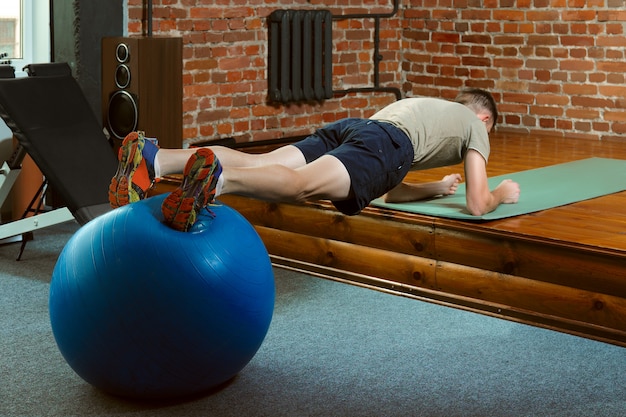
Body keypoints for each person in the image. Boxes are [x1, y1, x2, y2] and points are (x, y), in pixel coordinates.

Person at [109, 88, 520, 232]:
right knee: (303, 187)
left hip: (359, 128)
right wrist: (500, 193)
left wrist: (434, 187)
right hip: (384, 144)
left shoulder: (426, 111)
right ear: (484, 118)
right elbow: (477, 202)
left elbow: (389, 192)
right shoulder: (475, 123)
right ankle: (216, 183)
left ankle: (156, 159)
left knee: (264, 161)